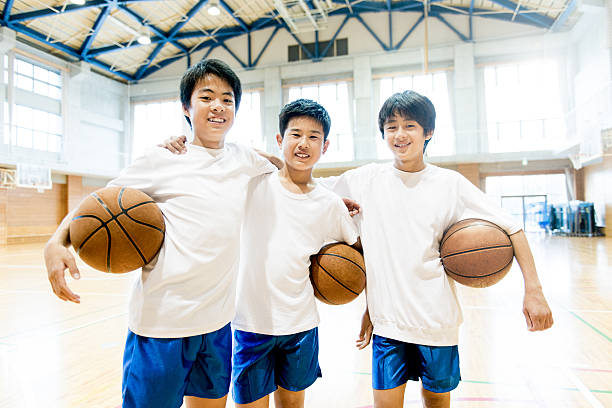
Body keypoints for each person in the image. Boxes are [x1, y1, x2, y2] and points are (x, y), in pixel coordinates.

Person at [43, 58, 280, 408]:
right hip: (160, 326)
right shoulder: (163, 158)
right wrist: (55, 241)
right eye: (207, 97)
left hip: (216, 324)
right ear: (186, 107)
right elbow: (97, 205)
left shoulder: (245, 160)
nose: (218, 105)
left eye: (228, 99)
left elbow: (285, 167)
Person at [323, 90, 554, 408]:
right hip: (388, 326)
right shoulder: (363, 180)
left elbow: (512, 228)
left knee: (436, 402)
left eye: (410, 126)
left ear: (428, 132)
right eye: (391, 127)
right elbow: (304, 187)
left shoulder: (451, 184)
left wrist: (534, 290)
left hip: (437, 323)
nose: (400, 134)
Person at [163, 99, 359, 408]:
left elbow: (354, 248)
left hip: (301, 323)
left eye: (313, 136)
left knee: (293, 404)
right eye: (295, 134)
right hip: (250, 323)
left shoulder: (330, 203)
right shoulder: (252, 182)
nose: (303, 143)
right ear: (280, 140)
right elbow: (222, 153)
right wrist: (184, 141)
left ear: (326, 145)